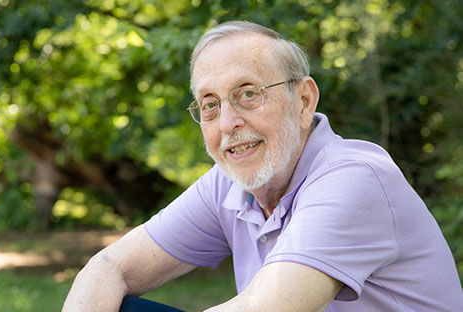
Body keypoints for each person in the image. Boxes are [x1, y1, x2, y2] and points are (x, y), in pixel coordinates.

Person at [62, 21, 463, 311]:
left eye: (248, 94)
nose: (227, 123)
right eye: (210, 105)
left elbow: (266, 308)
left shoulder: (355, 177)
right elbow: (109, 267)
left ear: (303, 101)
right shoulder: (228, 185)